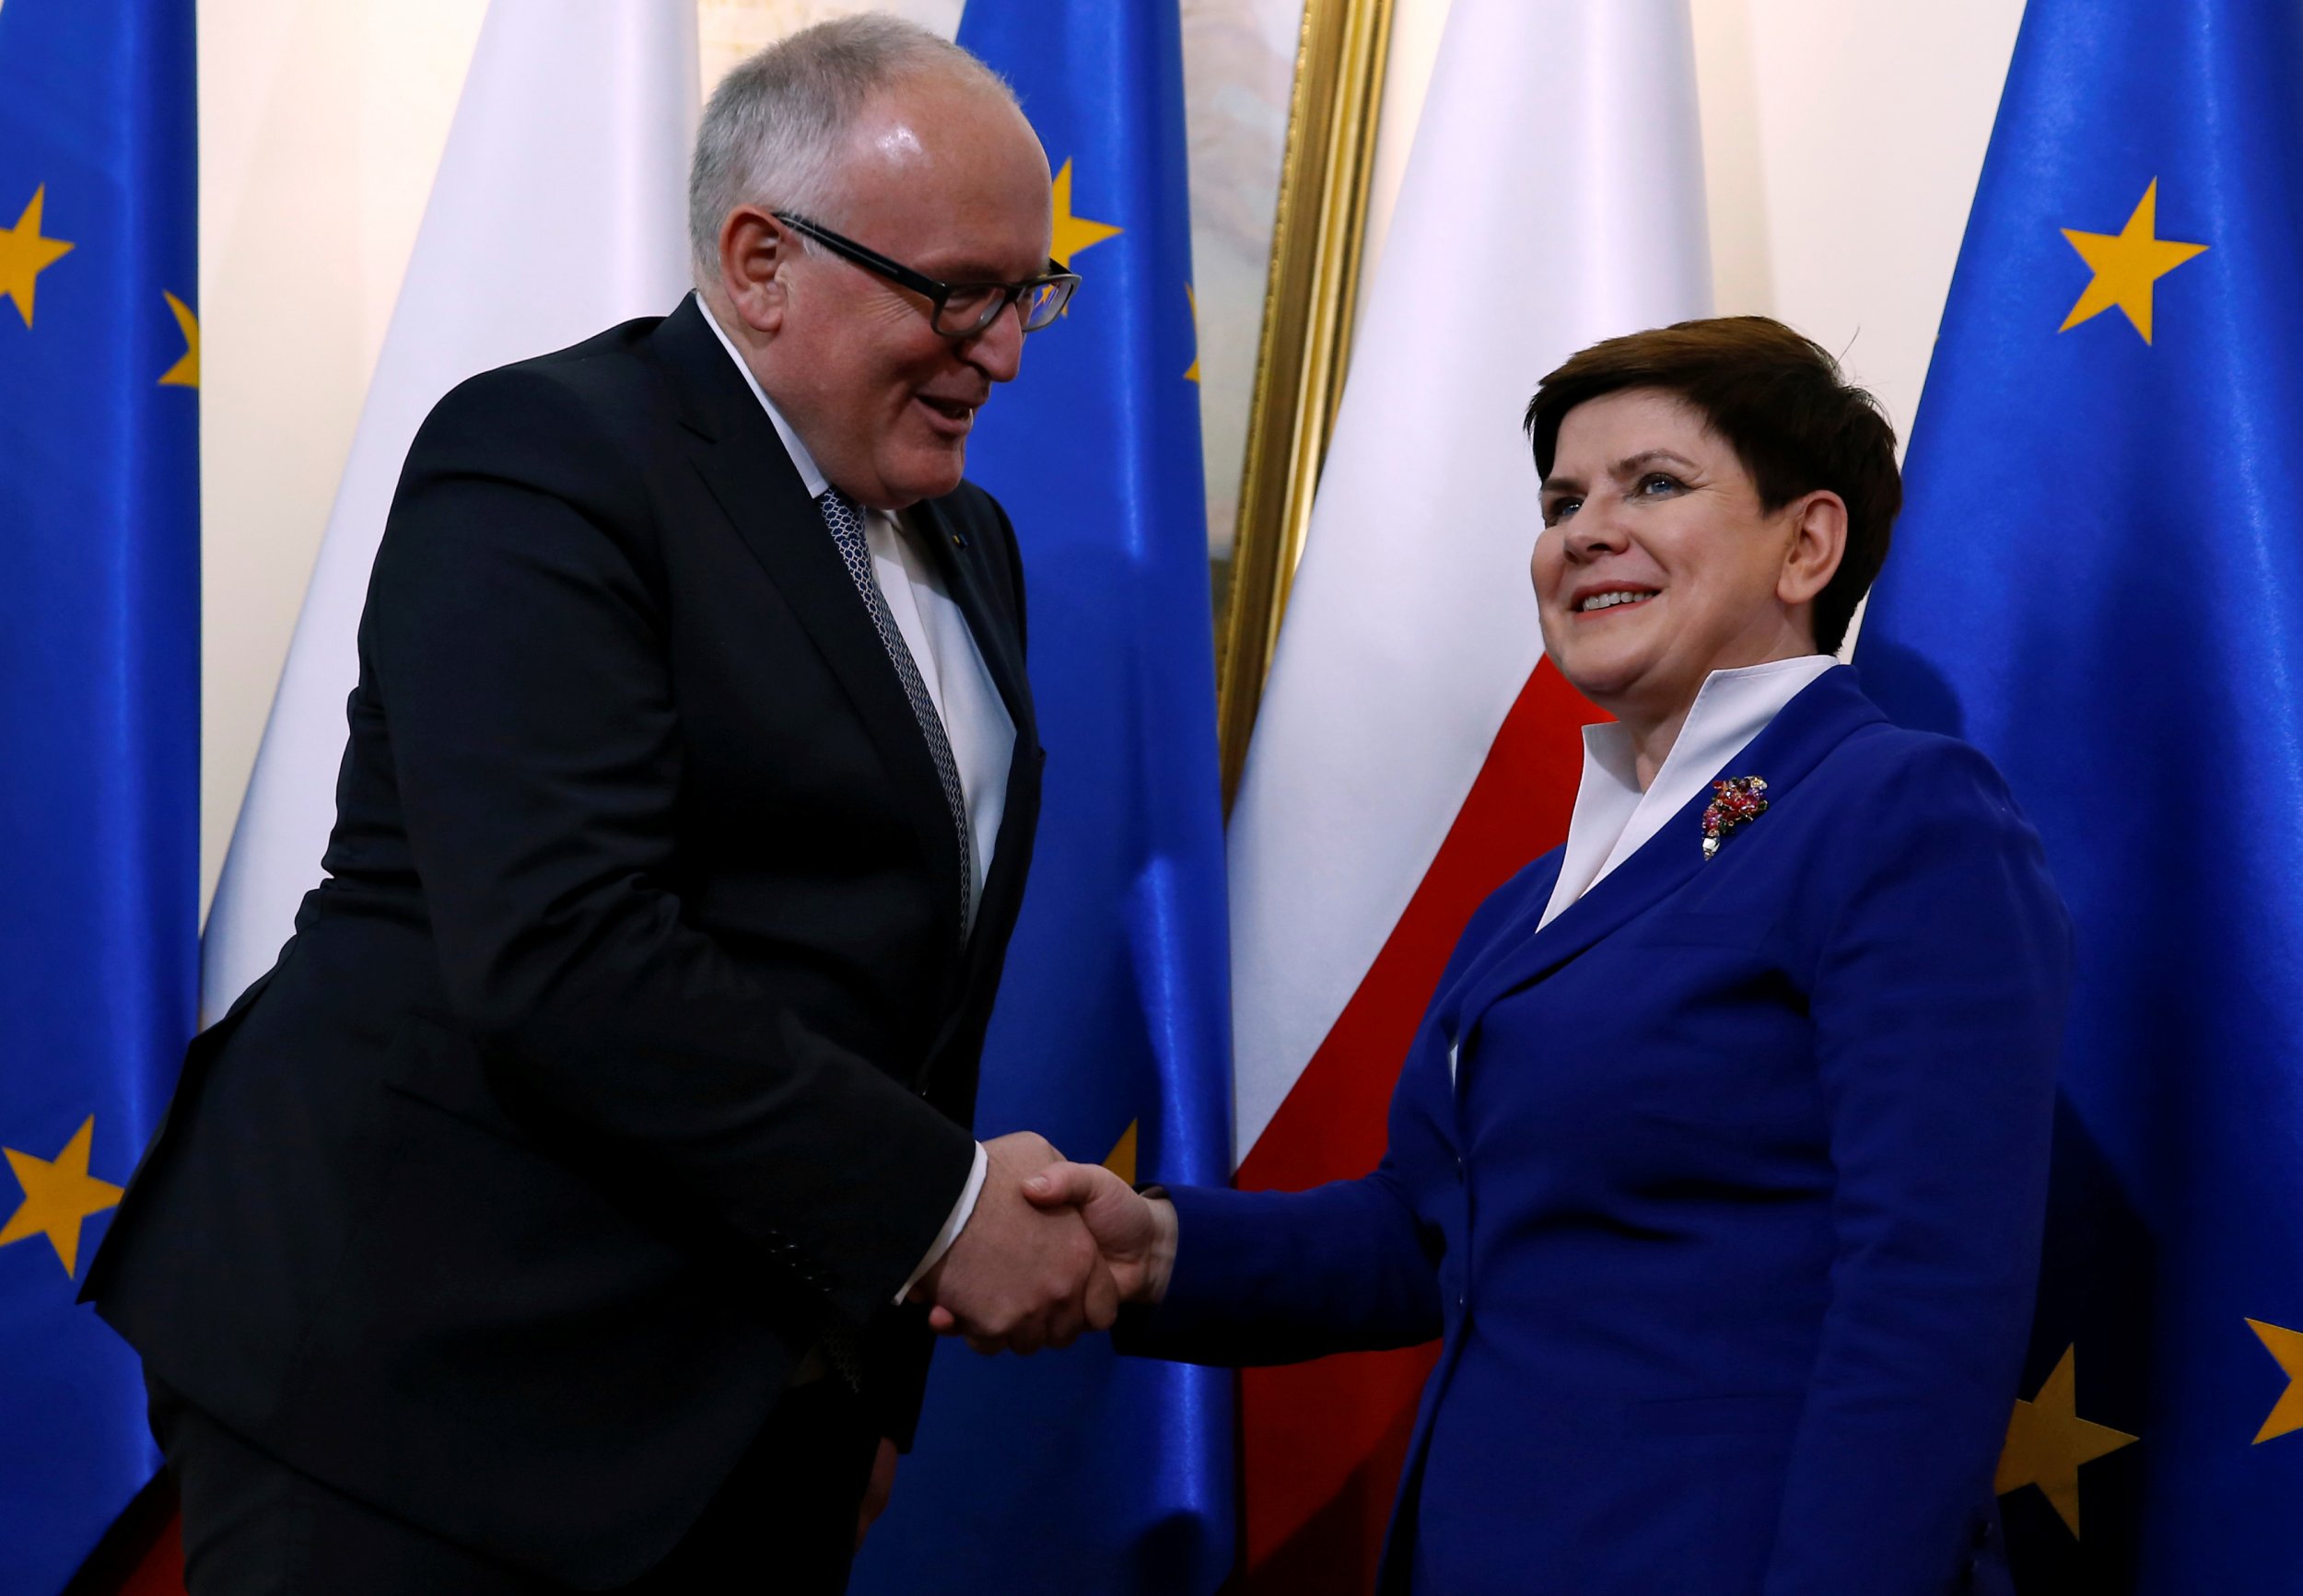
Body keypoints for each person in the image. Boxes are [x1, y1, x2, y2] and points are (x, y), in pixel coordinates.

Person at [84, 18, 1110, 1593]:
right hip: (422, 1386)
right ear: (761, 260)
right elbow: (564, 951)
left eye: (1029, 291)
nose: (1008, 349)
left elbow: (909, 993)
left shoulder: (974, 545)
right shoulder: (547, 458)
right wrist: (944, 1212)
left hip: (745, 1423)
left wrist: (863, 1376)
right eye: (958, 292)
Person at [1014, 317, 2073, 1595]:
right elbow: (1428, 1232)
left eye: (1656, 485)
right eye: (1563, 497)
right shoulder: (1533, 900)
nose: (1584, 530)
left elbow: (1930, 1298)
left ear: (1809, 543)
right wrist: (1157, 1251)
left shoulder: (1898, 812)